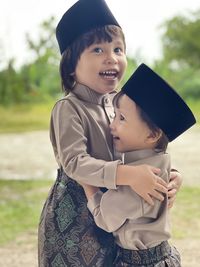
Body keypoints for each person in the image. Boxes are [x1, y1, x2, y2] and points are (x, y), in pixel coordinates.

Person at [38, 0, 182, 266]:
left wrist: (169, 178)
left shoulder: (120, 102)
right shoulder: (69, 108)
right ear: (71, 64)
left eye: (118, 49)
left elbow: (148, 143)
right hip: (78, 215)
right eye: (97, 49)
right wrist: (127, 174)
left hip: (117, 211)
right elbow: (74, 163)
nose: (112, 57)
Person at [80, 63, 196, 267]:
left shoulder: (139, 183)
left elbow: (104, 218)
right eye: (114, 115)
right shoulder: (159, 160)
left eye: (122, 118)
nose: (112, 125)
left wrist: (87, 182)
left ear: (152, 135)